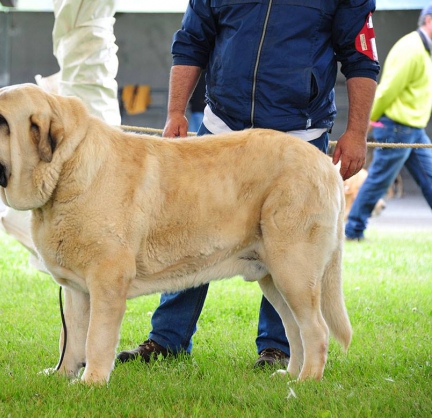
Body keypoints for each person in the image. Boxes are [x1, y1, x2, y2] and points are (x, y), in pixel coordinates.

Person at [117, 0, 379, 368]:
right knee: (190, 234)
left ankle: (278, 348)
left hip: (298, 137)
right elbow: (192, 40)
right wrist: (176, 110)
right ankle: (167, 339)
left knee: (288, 248)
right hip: (222, 132)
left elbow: (361, 56)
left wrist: (357, 131)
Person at [345, 5, 432, 241]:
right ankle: (352, 229)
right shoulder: (411, 48)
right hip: (396, 127)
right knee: (378, 181)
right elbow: (387, 89)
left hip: (414, 128)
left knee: (430, 177)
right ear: (429, 21)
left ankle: (353, 228)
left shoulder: (425, 50)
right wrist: (368, 119)